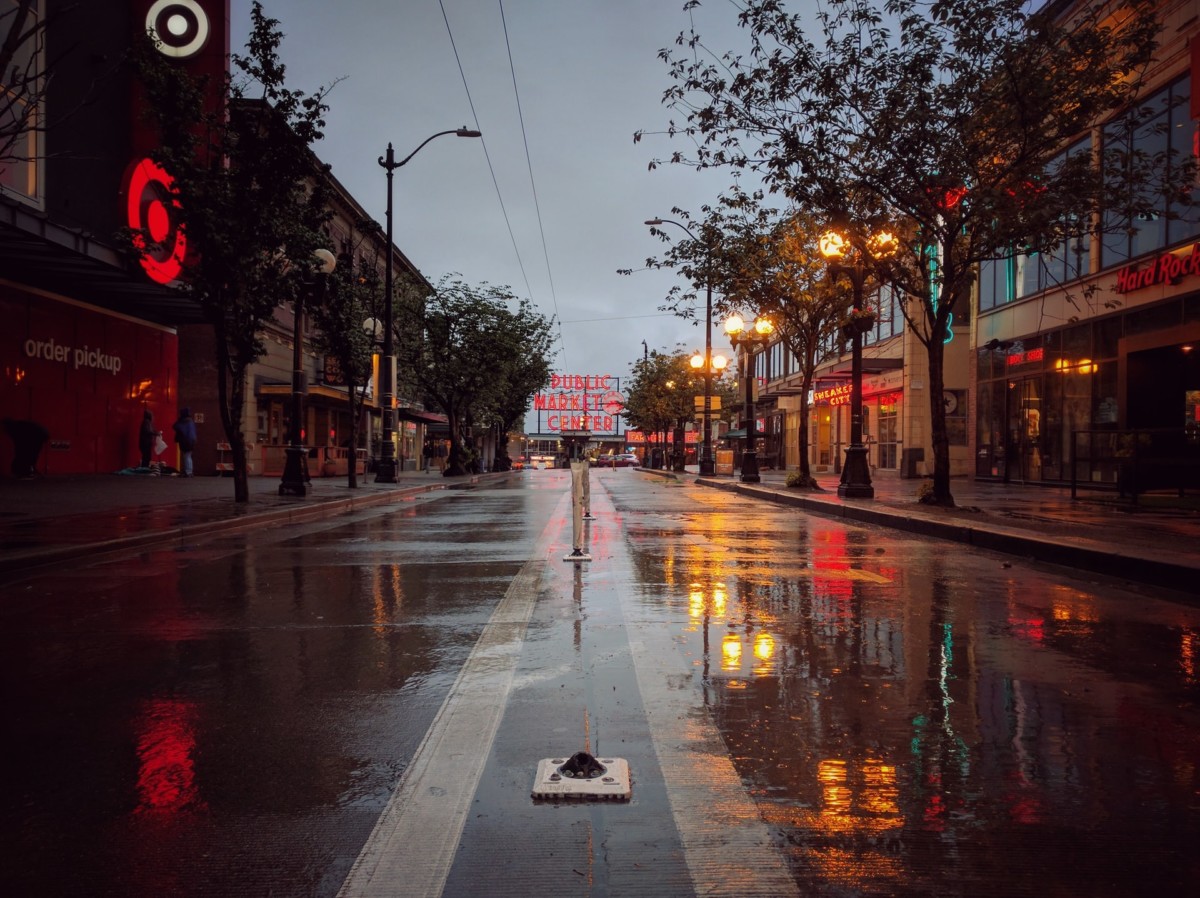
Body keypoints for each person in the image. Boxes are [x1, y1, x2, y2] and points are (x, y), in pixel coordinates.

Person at [172, 407, 198, 477]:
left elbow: (175, 426)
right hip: (192, 440)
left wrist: (179, 420)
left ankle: (188, 471)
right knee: (188, 455)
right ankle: (189, 471)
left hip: (185, 440)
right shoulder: (190, 421)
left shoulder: (183, 421)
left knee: (186, 456)